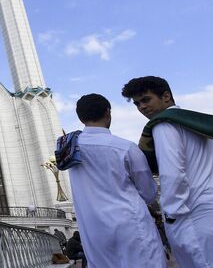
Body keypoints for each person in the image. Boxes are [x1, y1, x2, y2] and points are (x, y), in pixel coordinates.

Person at [122, 76, 213, 268]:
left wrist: (171, 215)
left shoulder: (163, 125)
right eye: (137, 104)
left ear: (166, 96)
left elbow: (173, 175)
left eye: (146, 99)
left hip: (206, 219)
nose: (142, 107)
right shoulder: (202, 126)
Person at [66, 93, 167, 268]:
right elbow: (149, 193)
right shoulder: (125, 147)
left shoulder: (70, 150)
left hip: (93, 230)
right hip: (131, 226)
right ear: (108, 113)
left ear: (81, 118)